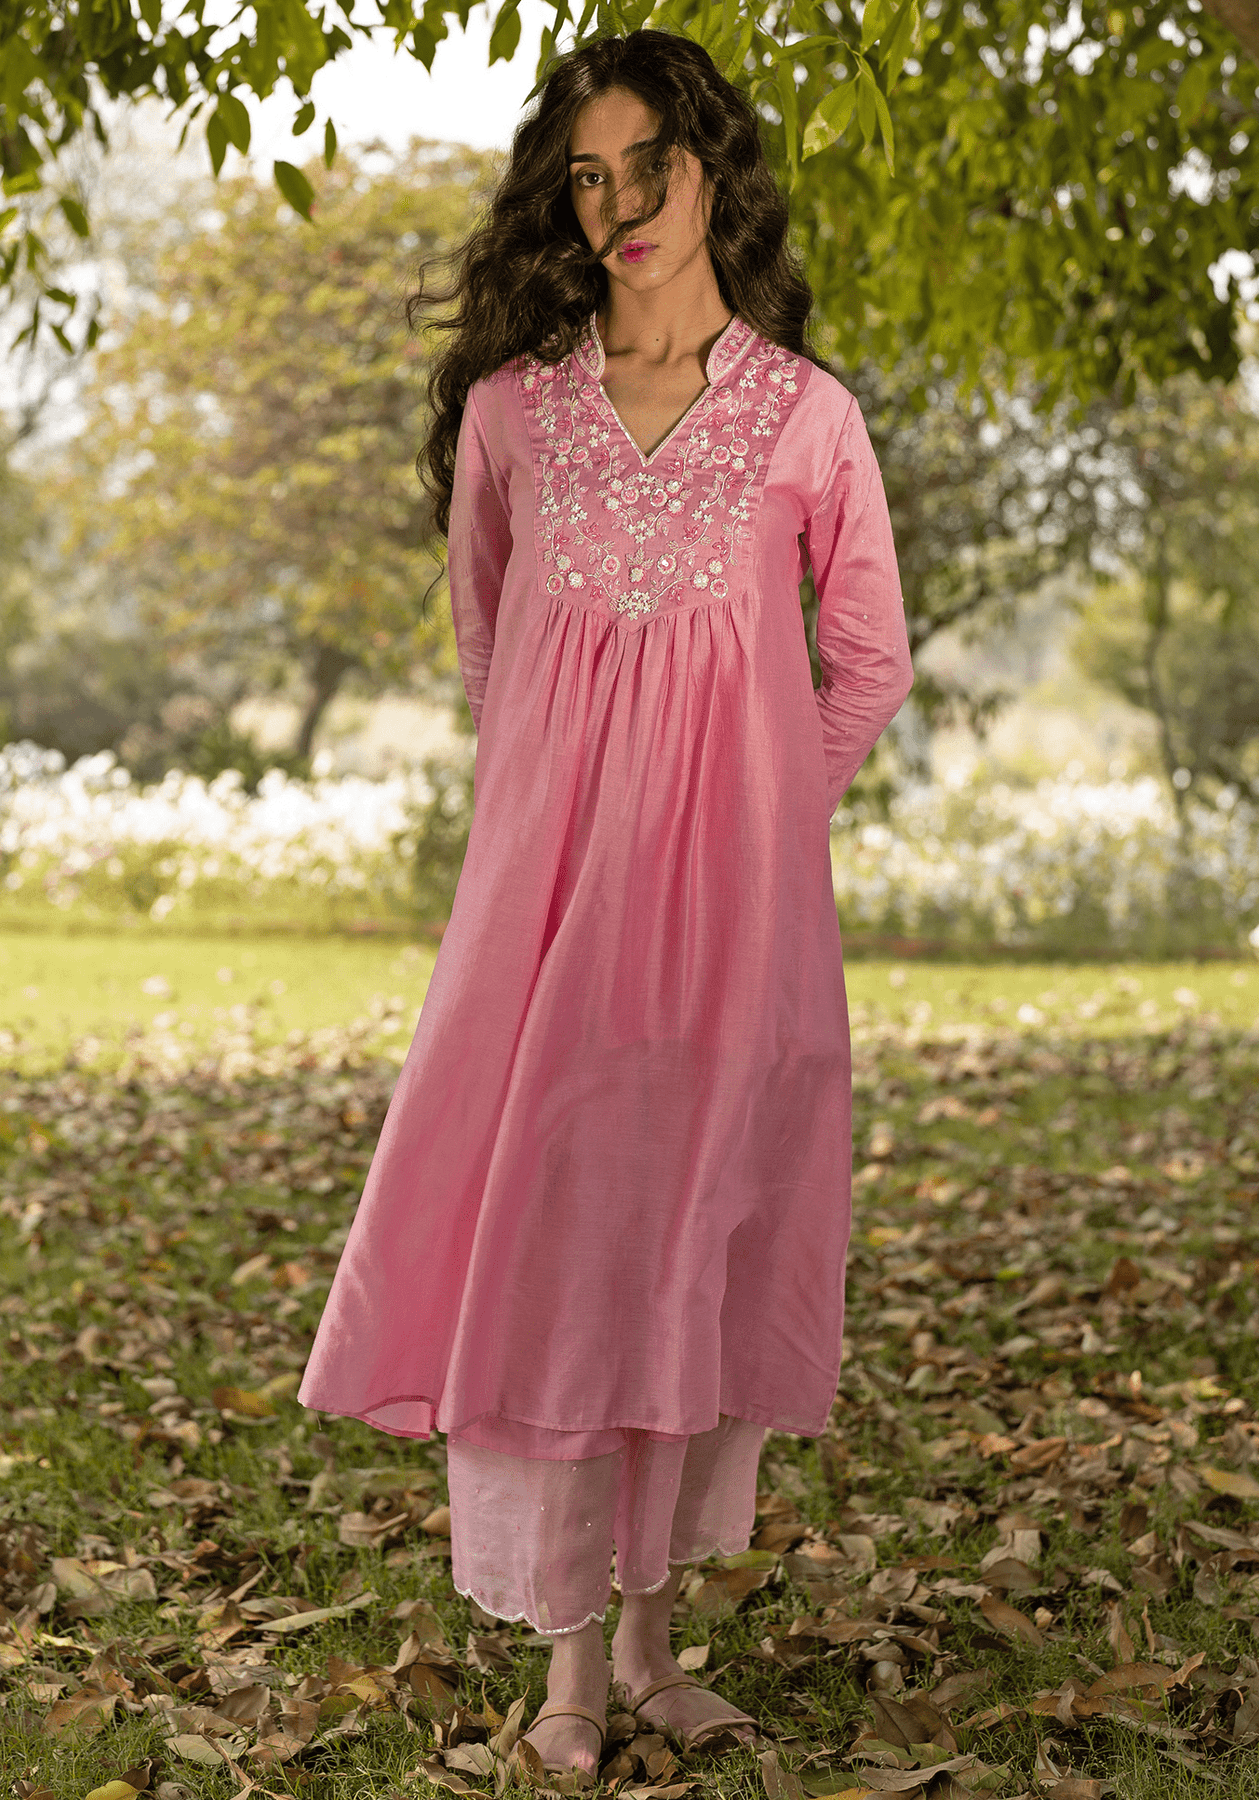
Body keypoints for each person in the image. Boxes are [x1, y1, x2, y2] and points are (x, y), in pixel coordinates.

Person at [297, 24, 913, 1780]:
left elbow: (867, 660)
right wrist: (562, 831)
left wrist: (752, 826)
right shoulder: (515, 414)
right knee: (557, 1249)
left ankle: (654, 1650)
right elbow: (491, 652)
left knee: (690, 1243)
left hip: (736, 935)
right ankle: (570, 1668)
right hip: (546, 929)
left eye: (653, 164)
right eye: (588, 174)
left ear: (715, 170)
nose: (622, 203)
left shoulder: (808, 418)